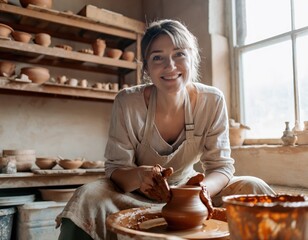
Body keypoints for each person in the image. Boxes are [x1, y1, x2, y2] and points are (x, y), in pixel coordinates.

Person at [56, 19, 276, 240]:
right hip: (135, 194)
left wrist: (201, 191)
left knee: (254, 187)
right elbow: (116, 171)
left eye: (179, 54)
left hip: (190, 191)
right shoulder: (127, 102)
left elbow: (221, 167)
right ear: (147, 67)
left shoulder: (212, 100)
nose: (170, 66)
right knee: (87, 197)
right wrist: (139, 176)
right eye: (158, 57)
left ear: (193, 58)